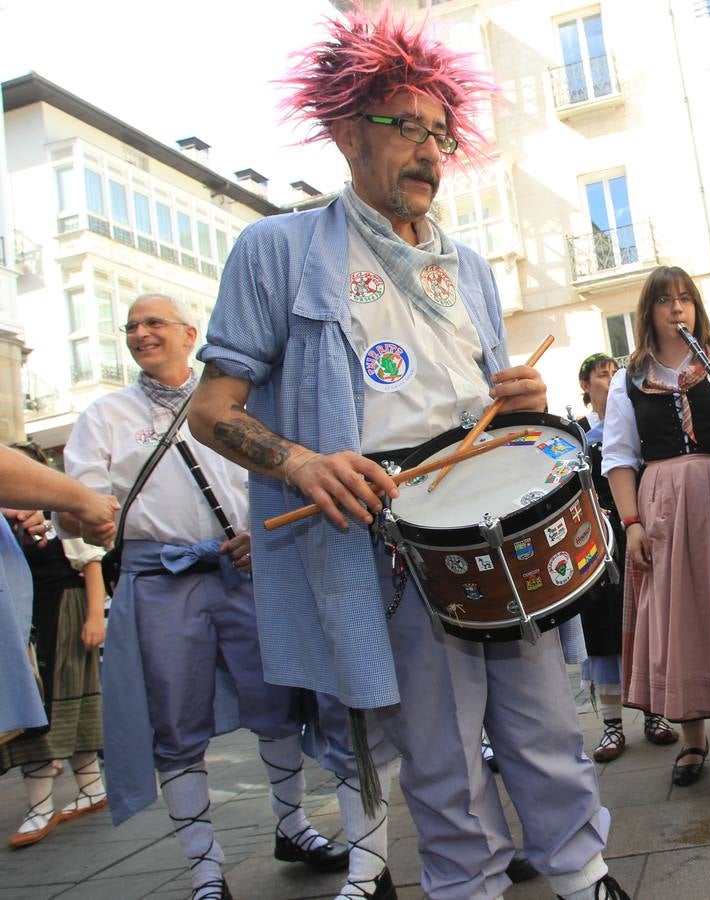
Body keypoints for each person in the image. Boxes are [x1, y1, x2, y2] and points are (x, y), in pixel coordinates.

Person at [189, 9, 627, 898]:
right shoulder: (277, 250)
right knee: (439, 746)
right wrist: (304, 463)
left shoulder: (468, 267)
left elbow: (482, 398)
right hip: (389, 531)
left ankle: (585, 880)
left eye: (441, 133)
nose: (430, 151)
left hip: (490, 514)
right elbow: (211, 409)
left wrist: (524, 408)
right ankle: (470, 888)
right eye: (407, 129)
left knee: (546, 721)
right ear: (350, 133)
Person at [66, 294, 349, 900]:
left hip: (242, 568)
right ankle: (204, 867)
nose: (141, 333)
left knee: (278, 700)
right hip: (160, 580)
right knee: (176, 720)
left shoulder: (234, 403)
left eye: (154, 323)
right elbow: (84, 505)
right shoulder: (105, 415)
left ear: (190, 334)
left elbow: (271, 478)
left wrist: (259, 534)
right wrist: (88, 522)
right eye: (132, 325)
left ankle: (292, 826)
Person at [601, 266, 710, 787]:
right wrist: (631, 524)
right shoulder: (627, 379)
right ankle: (692, 740)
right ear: (648, 312)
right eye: (665, 301)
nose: (677, 309)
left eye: (686, 299)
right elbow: (618, 458)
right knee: (682, 617)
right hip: (665, 509)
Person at [2, 444, 107, 850]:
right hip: (29, 617)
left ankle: (74, 793)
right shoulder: (14, 520)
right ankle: (56, 797)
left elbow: (91, 562)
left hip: (61, 612)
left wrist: (94, 616)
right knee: (43, 707)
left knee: (61, 706)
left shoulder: (54, 515)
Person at [576, 352, 677, 762]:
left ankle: (655, 716)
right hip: (593, 544)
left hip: (633, 532)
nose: (611, 379)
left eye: (615, 373)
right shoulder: (576, 434)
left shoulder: (633, 420)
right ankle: (612, 727)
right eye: (602, 374)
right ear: (584, 385)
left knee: (647, 622)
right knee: (602, 633)